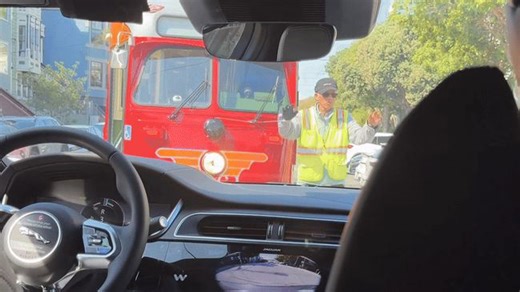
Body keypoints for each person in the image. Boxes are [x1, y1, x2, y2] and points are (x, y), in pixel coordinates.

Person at [278, 77, 382, 187]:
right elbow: (287, 133)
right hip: (307, 183)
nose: (330, 98)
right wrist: (286, 120)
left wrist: (370, 126)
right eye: (326, 94)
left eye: (334, 95)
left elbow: (360, 139)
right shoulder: (303, 115)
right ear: (316, 96)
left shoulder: (344, 117)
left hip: (335, 183)